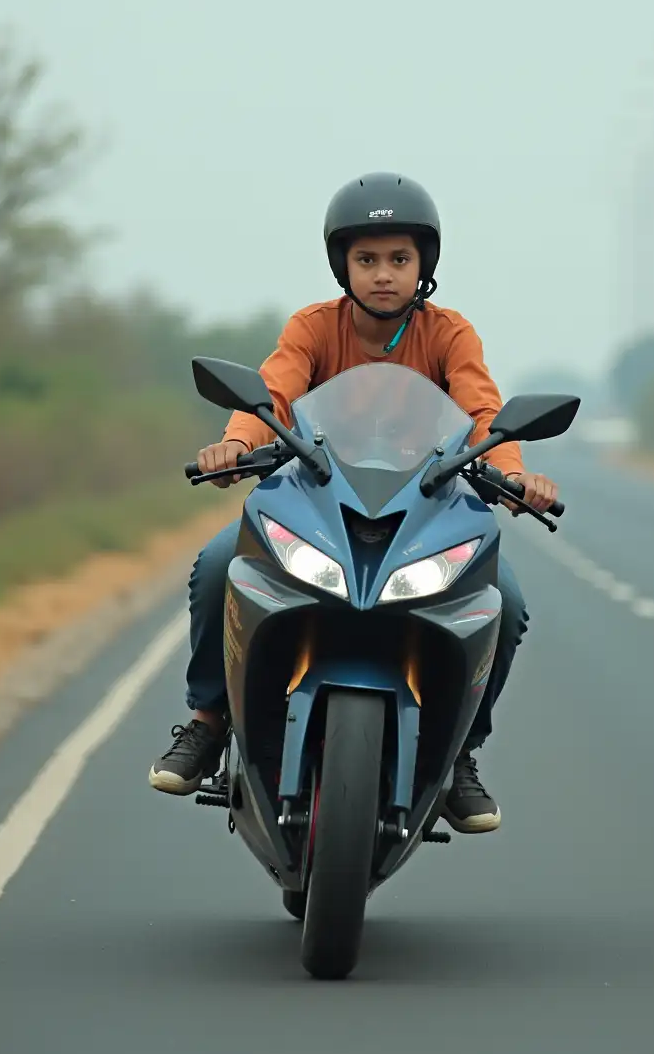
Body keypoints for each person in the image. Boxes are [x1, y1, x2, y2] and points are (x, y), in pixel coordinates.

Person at [149, 172, 558, 833]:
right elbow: (272, 396)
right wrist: (234, 443)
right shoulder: (313, 327)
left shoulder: (451, 334)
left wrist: (513, 473)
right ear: (343, 265)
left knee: (503, 605)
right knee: (220, 565)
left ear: (424, 265)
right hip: (314, 503)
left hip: (427, 513)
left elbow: (485, 413)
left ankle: (459, 758)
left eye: (399, 259)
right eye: (367, 260)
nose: (383, 275)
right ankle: (206, 721)